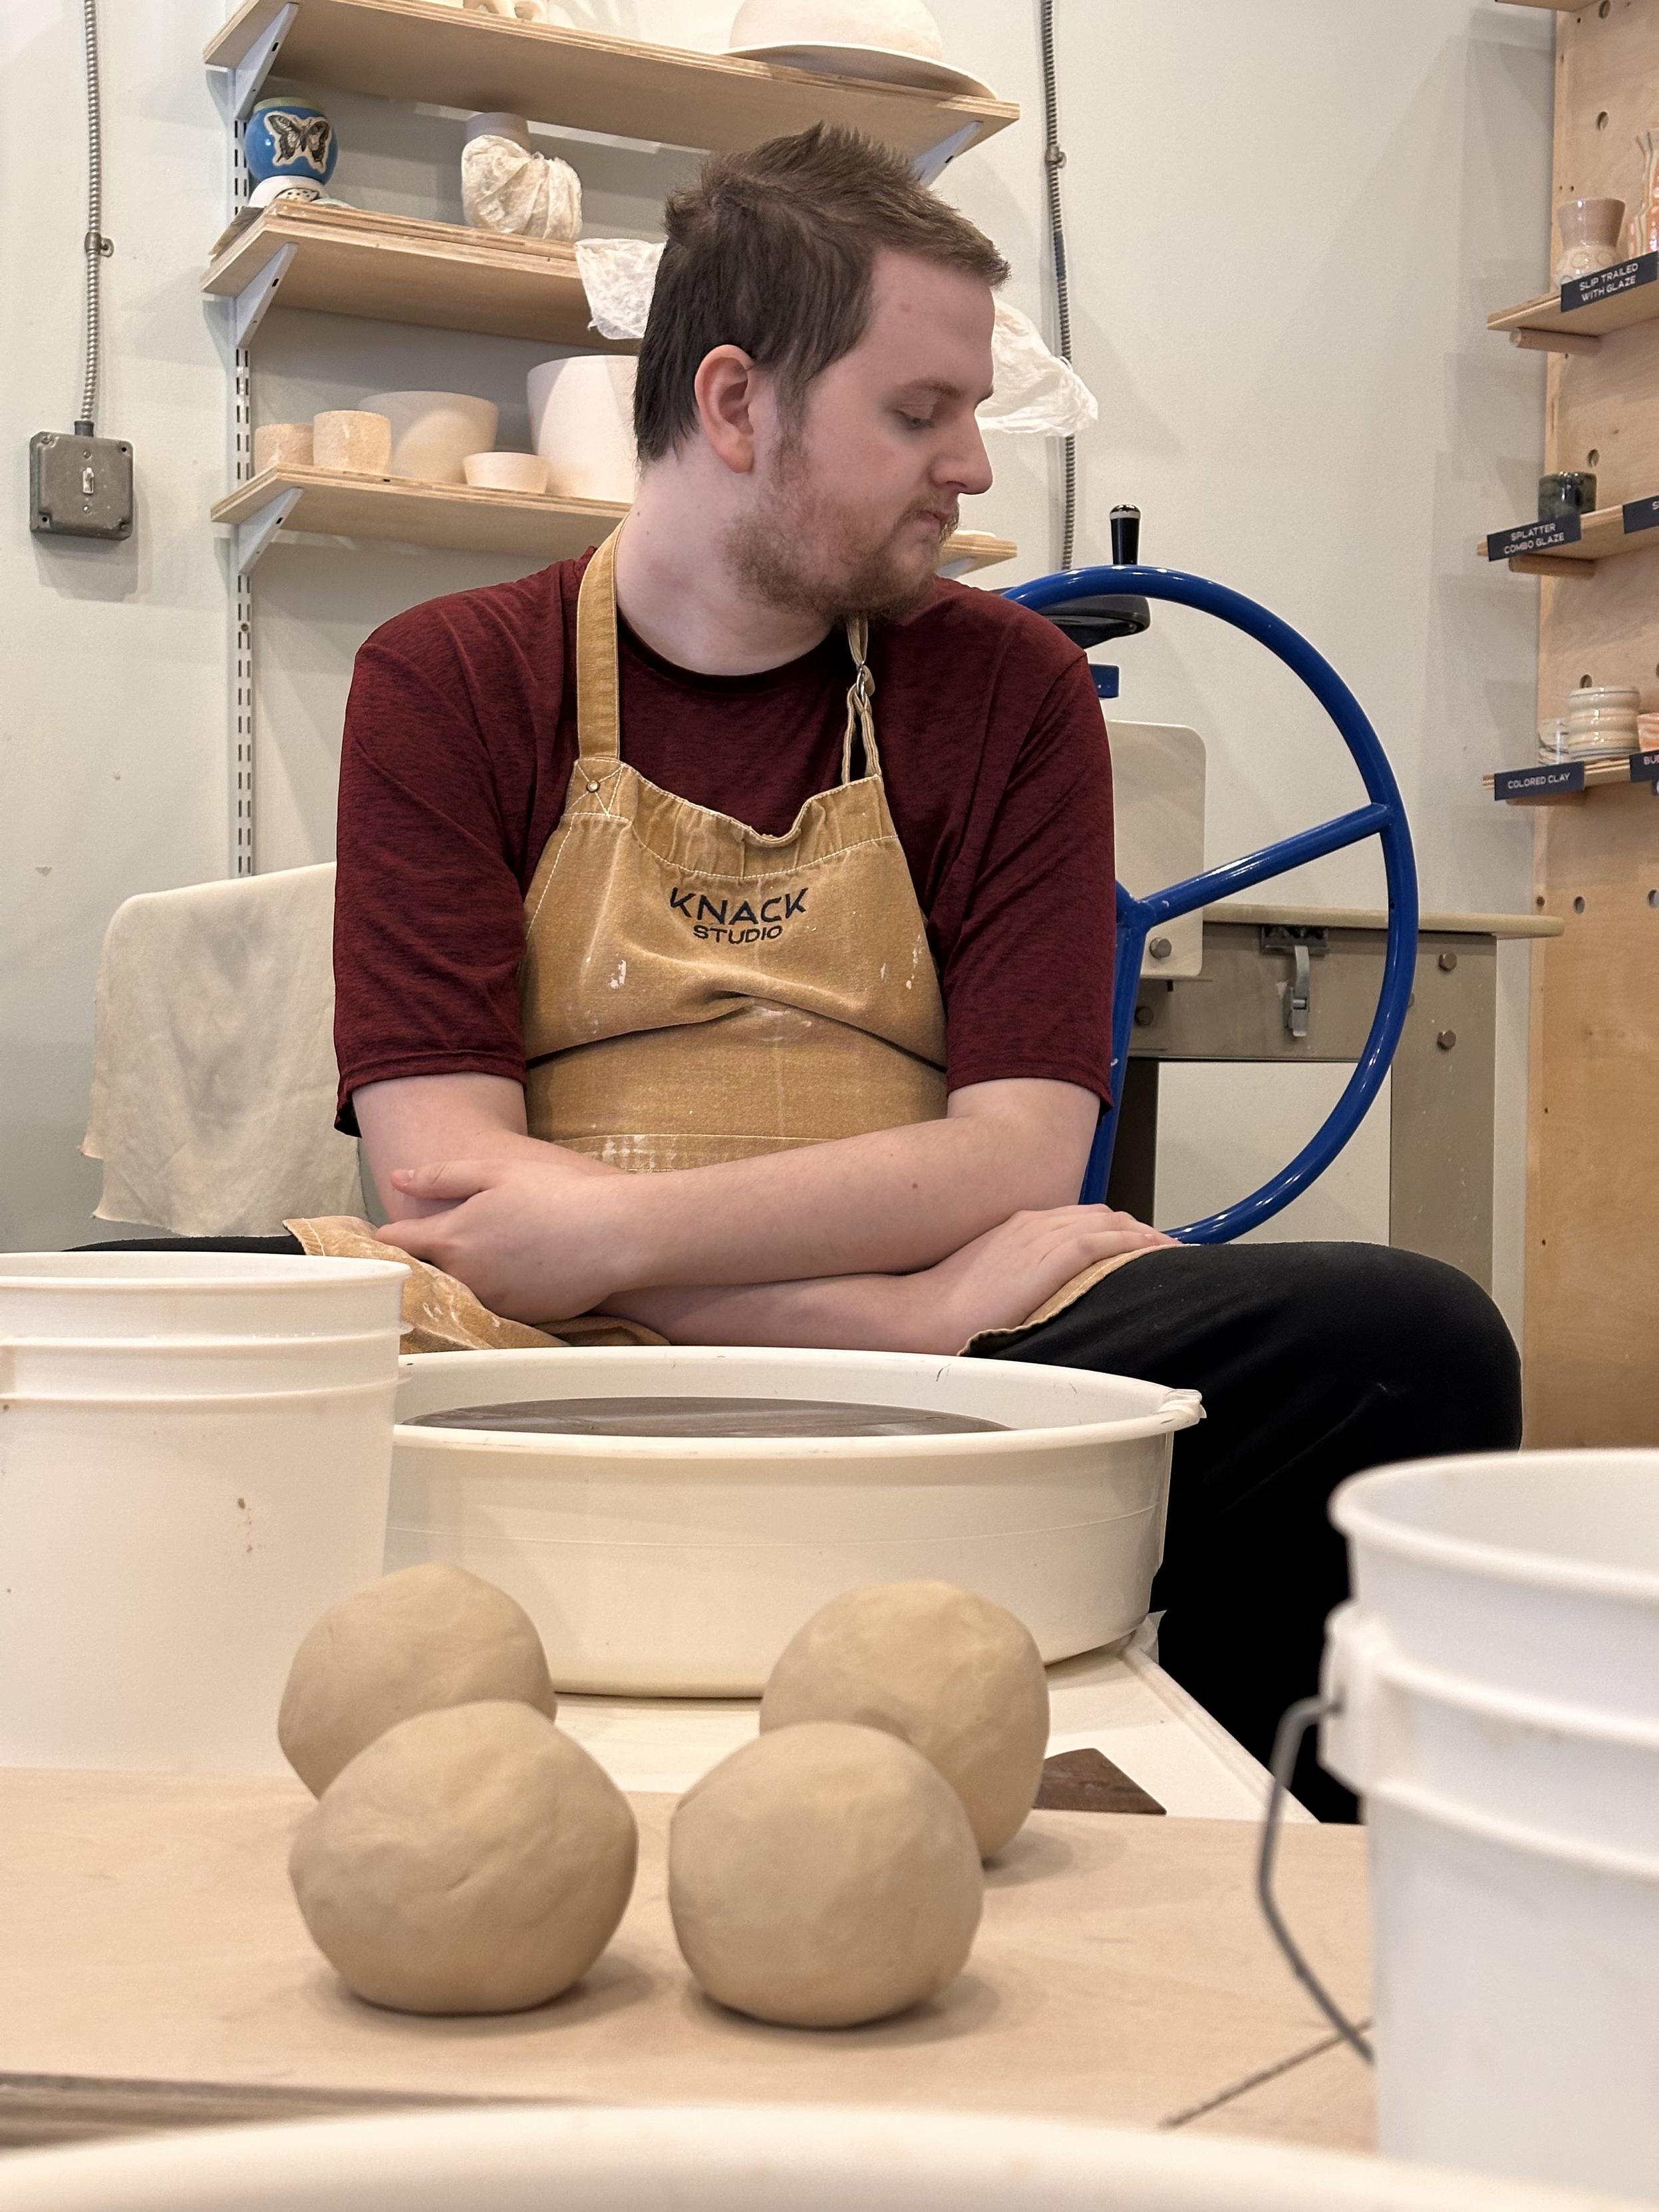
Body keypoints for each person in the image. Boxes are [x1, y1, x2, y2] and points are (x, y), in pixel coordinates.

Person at [102, 127, 1522, 1816]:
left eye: (970, 415)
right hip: (541, 1330)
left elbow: (1014, 1159)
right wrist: (897, 1310)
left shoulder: (1012, 697)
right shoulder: (451, 681)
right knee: (80, 1336)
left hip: (836, 1328)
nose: (974, 468)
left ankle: (1216, 1874)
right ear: (731, 405)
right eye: (918, 415)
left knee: (1406, 1340)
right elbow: (449, 1194)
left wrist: (618, 1236)